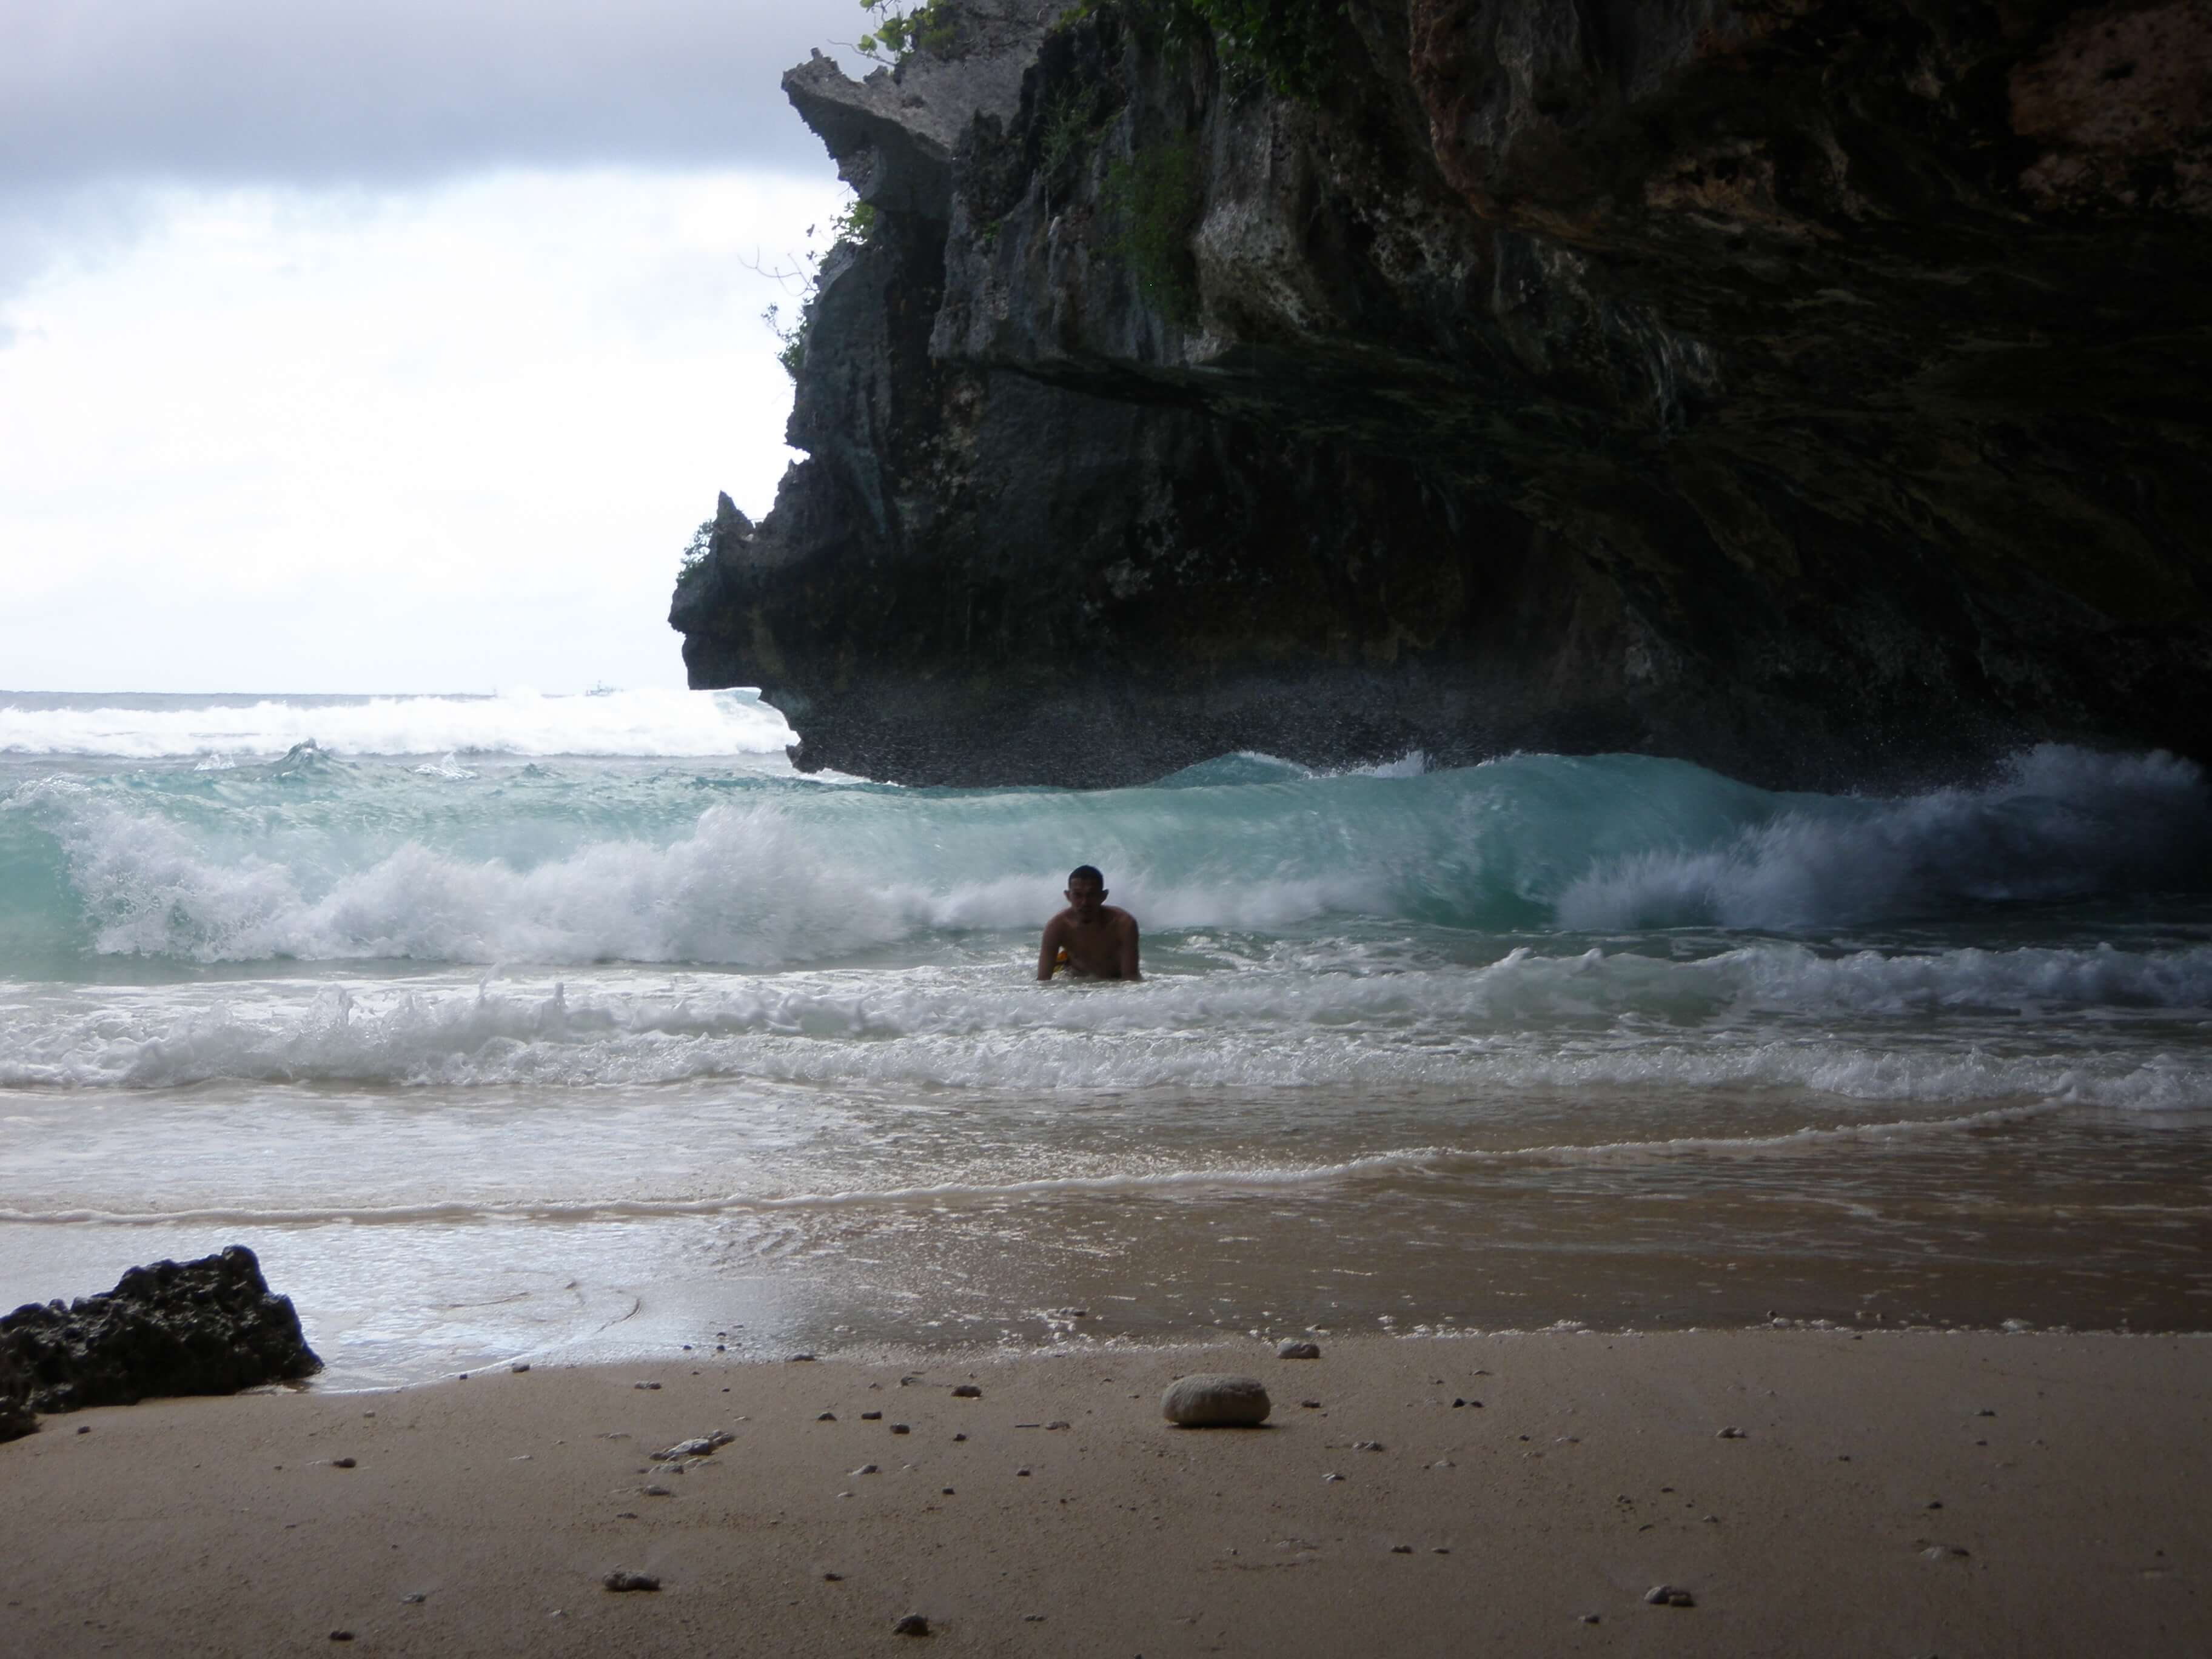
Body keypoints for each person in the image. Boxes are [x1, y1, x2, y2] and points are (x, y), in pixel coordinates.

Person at [1037, 864, 1141, 982]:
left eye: (1091, 895)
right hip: (1075, 982)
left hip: (1113, 984)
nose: (1084, 902)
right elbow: (1043, 981)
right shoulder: (1057, 927)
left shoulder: (1123, 925)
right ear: (1068, 896)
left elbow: (1131, 979)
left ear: (1103, 896)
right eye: (1078, 895)